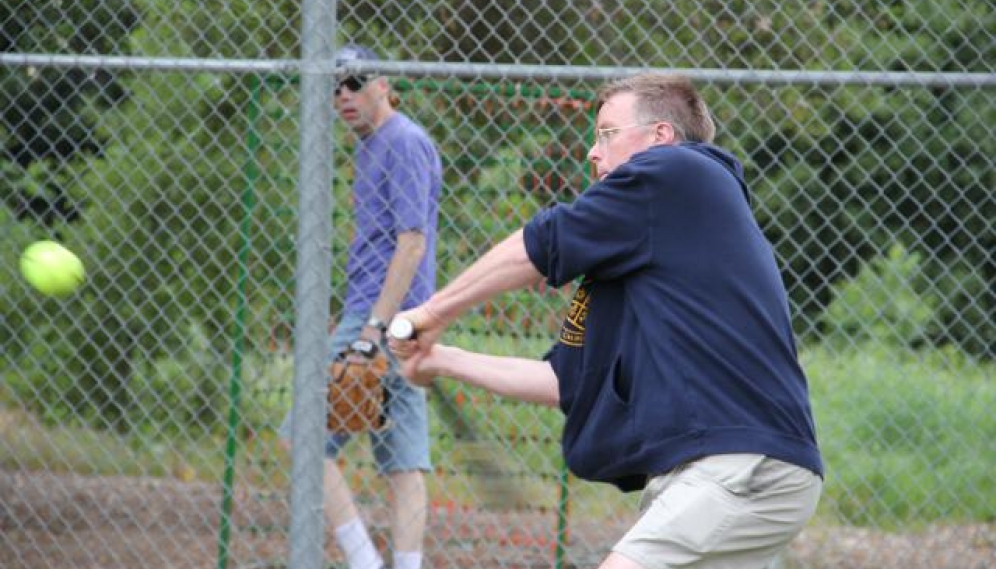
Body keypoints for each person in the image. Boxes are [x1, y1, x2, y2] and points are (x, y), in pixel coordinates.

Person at [388, 73, 823, 569]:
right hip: (716, 471)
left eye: (607, 134)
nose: (593, 152)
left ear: (659, 135)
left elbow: (540, 243)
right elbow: (563, 379)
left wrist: (429, 313)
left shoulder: (680, 172)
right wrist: (442, 358)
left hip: (741, 462)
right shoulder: (643, 254)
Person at [280, 44, 442, 569]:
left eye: (355, 82)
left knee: (302, 440)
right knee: (403, 463)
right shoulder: (373, 145)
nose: (342, 94)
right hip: (384, 316)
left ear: (383, 85)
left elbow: (412, 241)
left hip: (385, 318)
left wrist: (372, 326)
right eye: (334, 85)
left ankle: (363, 560)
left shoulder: (404, 141)